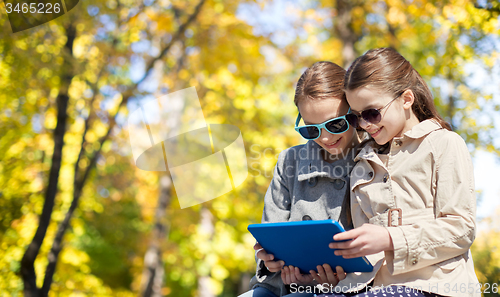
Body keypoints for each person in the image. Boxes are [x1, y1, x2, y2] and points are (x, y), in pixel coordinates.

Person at [316, 48, 480, 297]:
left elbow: (461, 229)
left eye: (372, 113)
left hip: (433, 286)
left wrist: (390, 238)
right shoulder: (361, 160)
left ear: (406, 99)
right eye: (356, 117)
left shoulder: (444, 144)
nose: (365, 124)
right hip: (368, 288)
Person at [238, 61, 366, 297]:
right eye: (312, 129)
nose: (326, 138)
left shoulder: (373, 157)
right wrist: (269, 260)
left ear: (354, 112)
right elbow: (272, 230)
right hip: (280, 285)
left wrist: (339, 279)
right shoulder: (289, 161)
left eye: (335, 124)